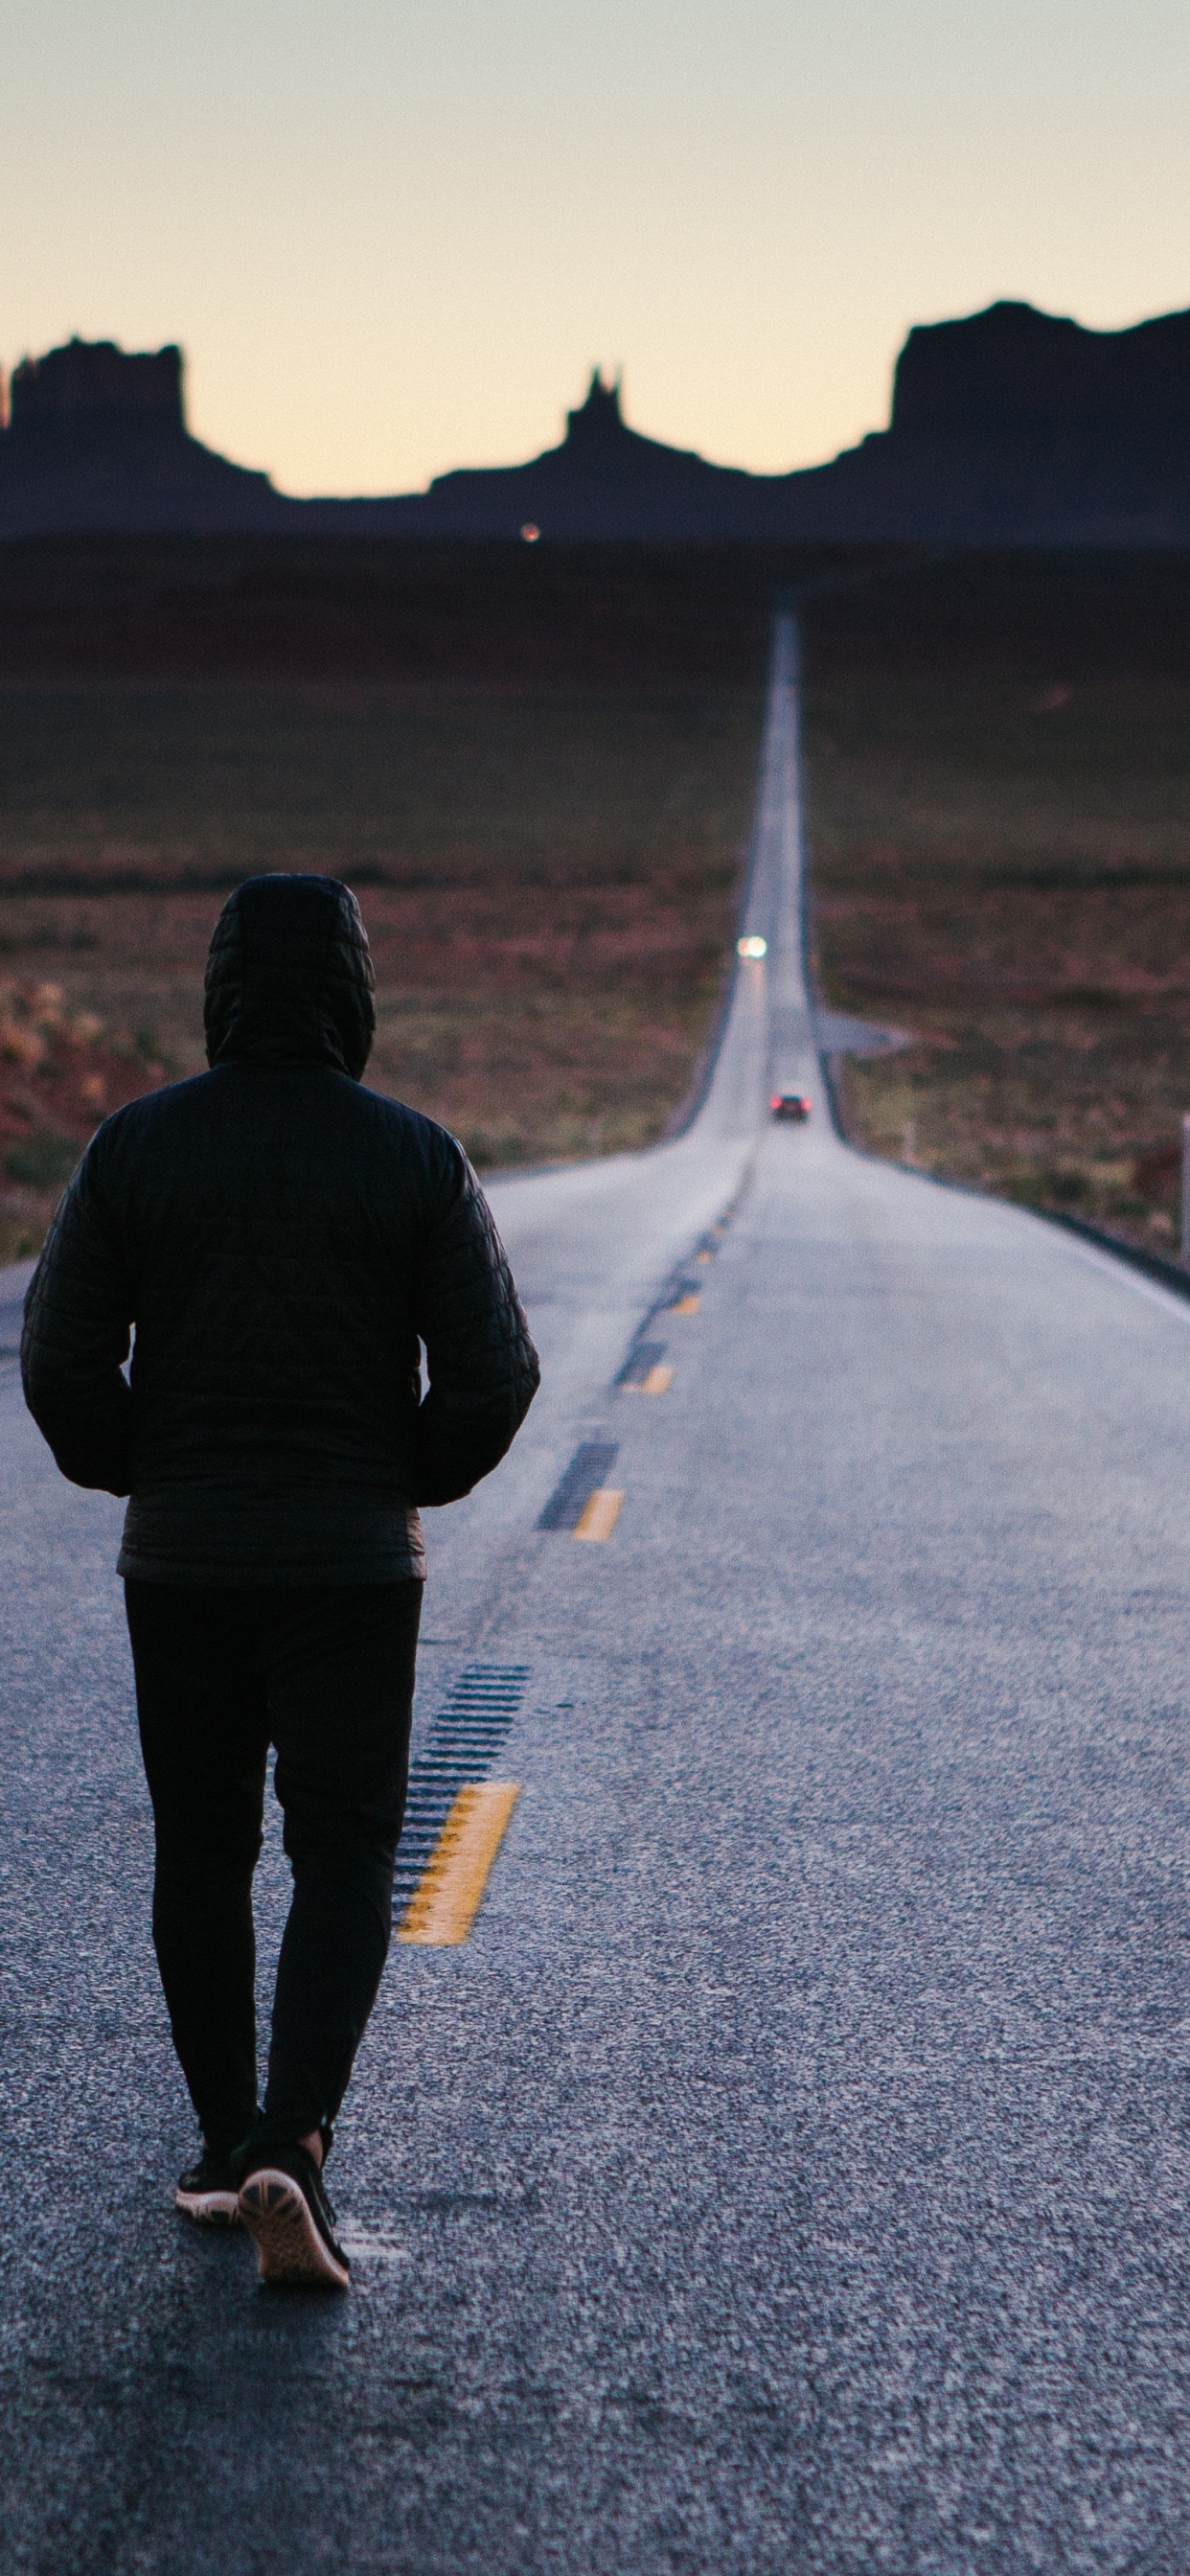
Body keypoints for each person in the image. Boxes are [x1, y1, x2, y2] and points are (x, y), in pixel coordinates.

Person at [21, 873, 539, 2290]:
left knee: (202, 1848)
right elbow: (495, 1374)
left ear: (221, 987)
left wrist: (143, 1469)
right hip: (351, 1568)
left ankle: (215, 2144)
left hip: (182, 1559)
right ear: (354, 994)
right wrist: (402, 1481)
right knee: (345, 1848)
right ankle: (292, 2145)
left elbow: (59, 1358)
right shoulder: (412, 1155)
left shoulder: (136, 1148)